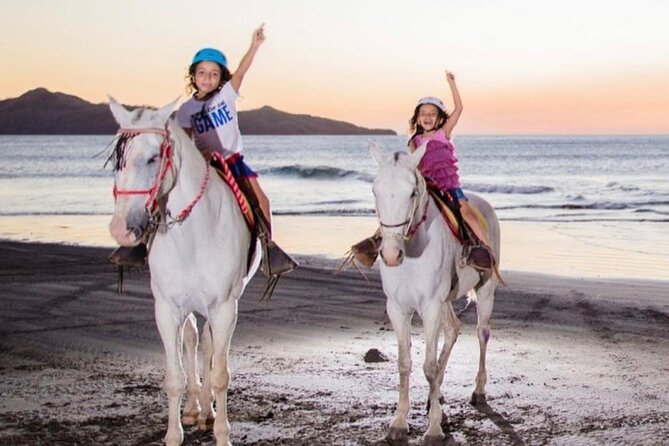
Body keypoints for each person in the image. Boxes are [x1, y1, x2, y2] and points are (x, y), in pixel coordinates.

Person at [175, 24, 297, 277]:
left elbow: (242, 71)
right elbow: (185, 144)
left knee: (262, 201)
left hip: (233, 162)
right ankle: (145, 241)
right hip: (205, 165)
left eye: (213, 74)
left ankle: (268, 251)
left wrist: (255, 45)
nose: (207, 78)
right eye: (202, 73)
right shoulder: (185, 110)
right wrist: (199, 157)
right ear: (193, 76)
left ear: (221, 79)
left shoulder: (227, 96)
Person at [350, 70, 494, 270]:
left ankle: (484, 249)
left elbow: (459, 108)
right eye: (423, 114)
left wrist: (452, 83)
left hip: (448, 185)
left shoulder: (444, 132)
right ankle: (377, 242)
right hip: (427, 185)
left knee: (467, 213)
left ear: (440, 118)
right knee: (397, 210)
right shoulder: (414, 141)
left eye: (432, 114)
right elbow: (413, 167)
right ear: (417, 118)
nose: (427, 117)